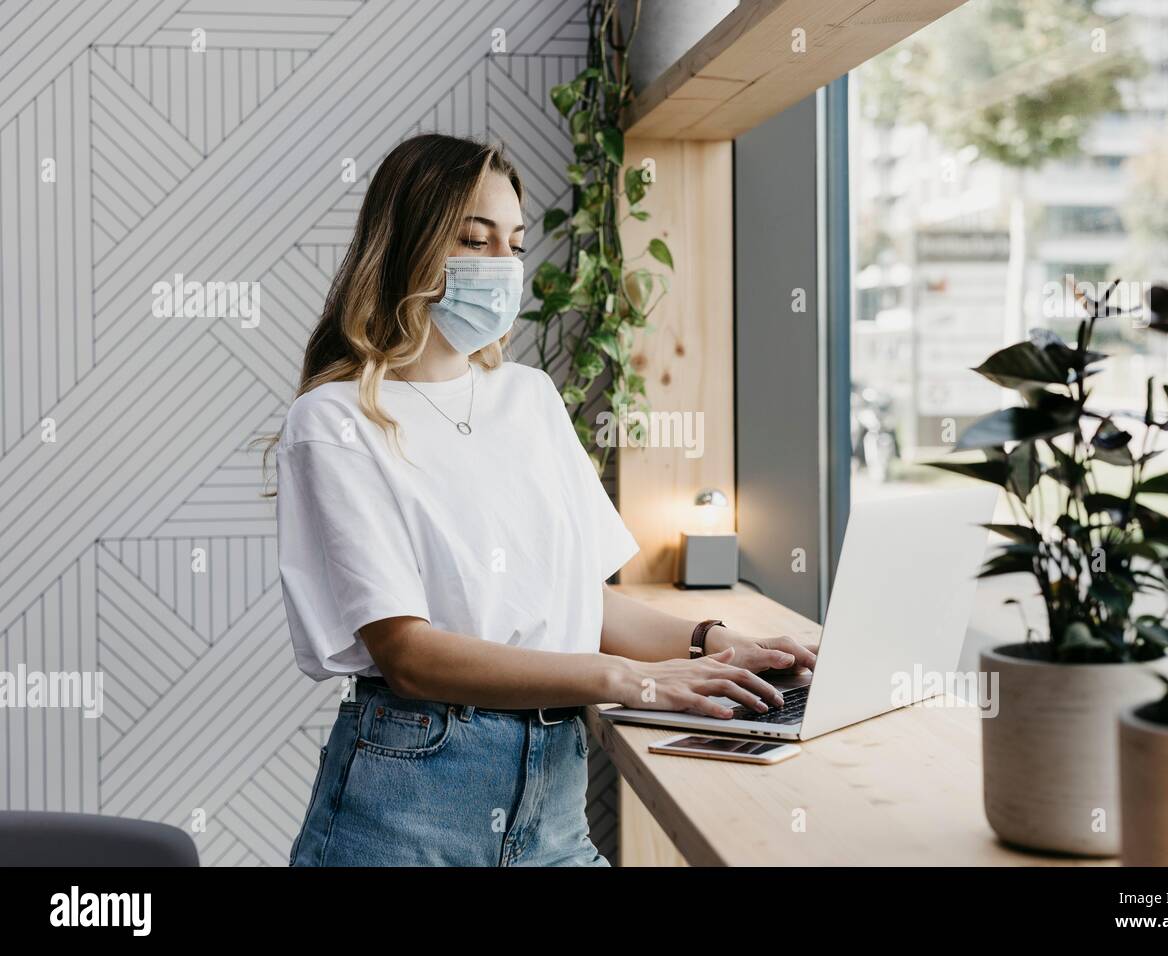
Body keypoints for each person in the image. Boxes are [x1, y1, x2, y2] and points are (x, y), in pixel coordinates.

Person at [268, 133, 816, 866]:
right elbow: (409, 655)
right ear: (406, 245)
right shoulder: (335, 422)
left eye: (515, 244)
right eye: (474, 238)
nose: (503, 267)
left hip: (552, 804)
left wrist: (715, 644)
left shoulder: (528, 398)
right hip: (407, 810)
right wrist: (633, 681)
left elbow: (579, 603)